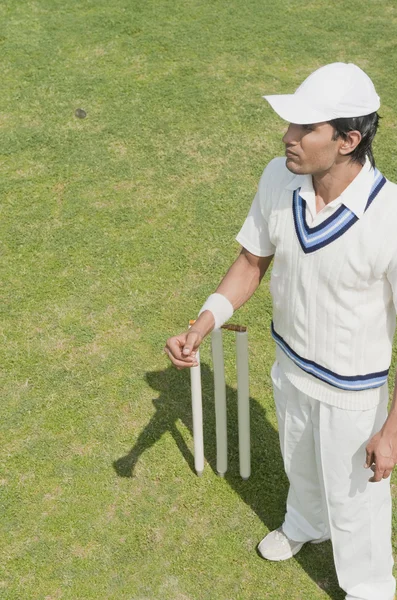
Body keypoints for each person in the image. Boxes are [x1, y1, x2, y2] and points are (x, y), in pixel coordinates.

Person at [164, 62, 397, 600]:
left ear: (348, 140)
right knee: (299, 463)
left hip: (353, 394)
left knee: (358, 500)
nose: (287, 138)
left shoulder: (390, 216)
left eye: (304, 129)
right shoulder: (278, 177)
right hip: (290, 364)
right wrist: (202, 324)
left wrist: (390, 433)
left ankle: (369, 587)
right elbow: (251, 261)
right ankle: (306, 524)